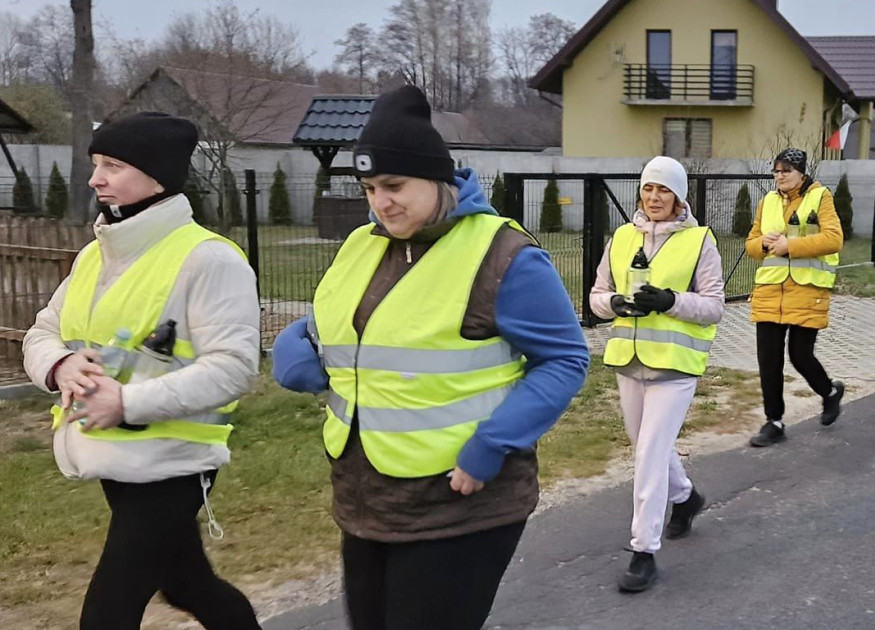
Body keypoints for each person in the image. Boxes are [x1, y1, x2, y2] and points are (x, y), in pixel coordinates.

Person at [271, 85, 589, 630]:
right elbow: (335, 322)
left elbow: (564, 360)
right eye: (369, 187)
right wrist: (293, 343)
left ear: (438, 179)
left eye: (394, 185)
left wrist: (491, 445)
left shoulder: (504, 256)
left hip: (461, 500)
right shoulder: (362, 244)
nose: (380, 201)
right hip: (366, 497)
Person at [22, 112, 263, 630]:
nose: (95, 178)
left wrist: (126, 402)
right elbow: (41, 334)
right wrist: (60, 364)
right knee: (188, 586)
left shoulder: (210, 261)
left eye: (113, 165)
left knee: (108, 611)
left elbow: (235, 368)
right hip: (112, 454)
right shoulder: (94, 256)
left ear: (159, 176)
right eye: (94, 164)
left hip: (174, 459)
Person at [589, 156, 725, 593]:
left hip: (674, 367)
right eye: (648, 189)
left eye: (664, 190)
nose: (654, 198)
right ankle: (686, 498)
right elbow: (596, 295)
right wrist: (615, 305)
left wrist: (670, 301)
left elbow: (714, 307)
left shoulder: (700, 241)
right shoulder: (623, 237)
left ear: (679, 196)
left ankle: (643, 550)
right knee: (649, 444)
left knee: (648, 453)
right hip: (629, 362)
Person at [744, 148, 846, 447]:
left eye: (786, 170)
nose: (780, 176)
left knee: (800, 355)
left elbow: (834, 239)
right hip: (771, 290)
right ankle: (773, 421)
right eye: (776, 171)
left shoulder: (820, 196)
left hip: (806, 289)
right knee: (769, 360)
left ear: (801, 172)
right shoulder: (768, 201)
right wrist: (762, 243)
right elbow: (750, 243)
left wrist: (792, 245)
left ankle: (829, 392)